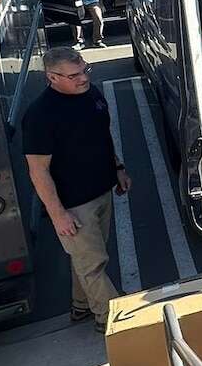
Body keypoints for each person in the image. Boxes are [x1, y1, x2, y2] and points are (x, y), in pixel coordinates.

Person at [22, 47, 130, 324]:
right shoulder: (40, 116)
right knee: (93, 265)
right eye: (74, 75)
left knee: (87, 258)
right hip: (74, 204)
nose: (83, 78)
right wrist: (58, 215)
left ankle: (81, 305)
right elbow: (39, 171)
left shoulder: (91, 94)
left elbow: (102, 136)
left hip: (102, 190)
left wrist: (117, 167)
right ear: (52, 77)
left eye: (85, 71)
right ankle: (112, 320)